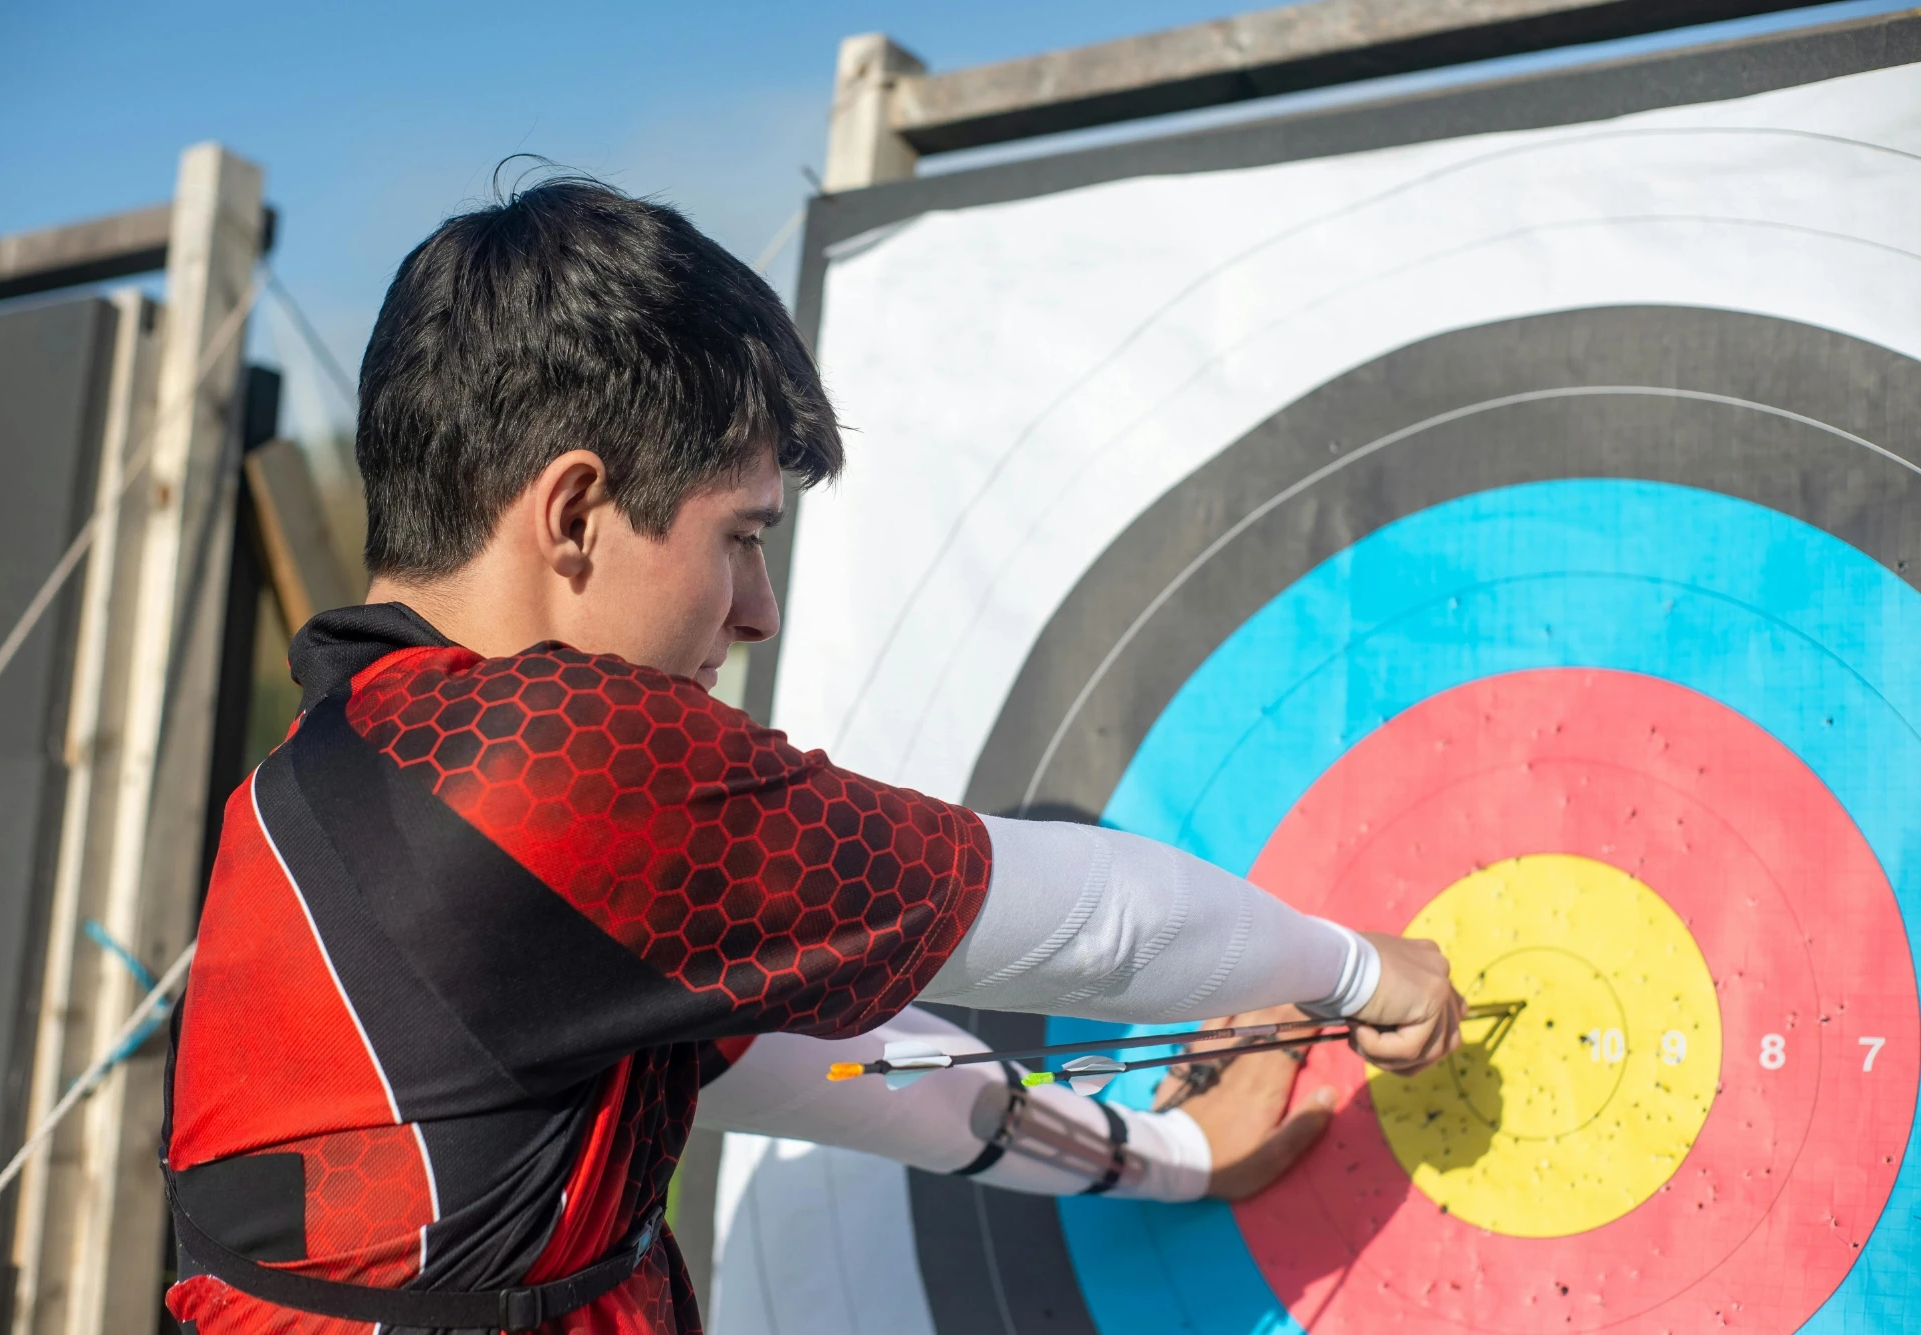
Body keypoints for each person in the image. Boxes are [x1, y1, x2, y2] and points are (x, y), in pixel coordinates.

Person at [161, 177, 1463, 1335]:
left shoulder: (309, 793)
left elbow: (854, 1071)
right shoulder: (551, 763)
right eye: (739, 535)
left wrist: (1168, 1151)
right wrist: (1355, 968)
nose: (759, 609)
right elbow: (1081, 921)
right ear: (573, 513)